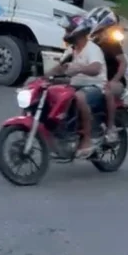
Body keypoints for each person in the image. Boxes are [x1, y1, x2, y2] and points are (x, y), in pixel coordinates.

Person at [48, 16, 107, 158]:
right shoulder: (71, 50)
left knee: (79, 97)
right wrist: (41, 78)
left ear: (78, 32)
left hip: (96, 86)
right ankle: (60, 133)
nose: (66, 33)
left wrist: (80, 68)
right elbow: (59, 68)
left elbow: (96, 68)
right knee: (50, 93)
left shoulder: (92, 48)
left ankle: (86, 140)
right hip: (75, 85)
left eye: (68, 30)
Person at [88, 7, 127, 143]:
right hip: (94, 81)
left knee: (107, 90)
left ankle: (110, 129)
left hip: (114, 81)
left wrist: (114, 81)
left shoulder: (111, 43)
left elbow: (123, 64)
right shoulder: (90, 43)